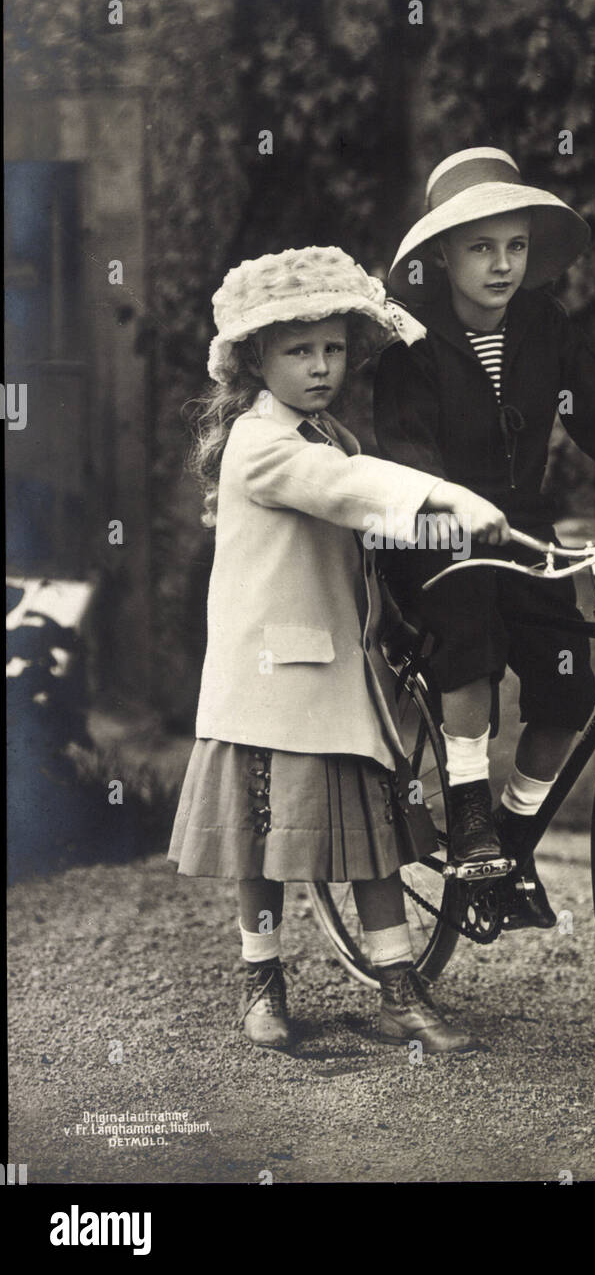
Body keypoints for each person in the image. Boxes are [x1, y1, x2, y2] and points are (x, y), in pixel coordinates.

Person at [168, 246, 511, 1053]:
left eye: (333, 347)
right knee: (262, 843)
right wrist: (448, 494)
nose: (321, 366)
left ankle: (398, 991)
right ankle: (261, 982)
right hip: (271, 681)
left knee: (373, 841)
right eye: (298, 351)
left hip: (341, 674)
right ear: (256, 360)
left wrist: (452, 530)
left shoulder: (334, 435)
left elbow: (376, 518)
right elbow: (351, 492)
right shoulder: (262, 444)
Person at [373, 148, 595, 930]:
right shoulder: (410, 340)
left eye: (516, 247)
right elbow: (403, 447)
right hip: (432, 528)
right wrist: (446, 503)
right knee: (466, 638)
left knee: (568, 682)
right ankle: (466, 813)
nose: (501, 266)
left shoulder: (544, 324)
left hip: (521, 525)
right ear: (442, 255)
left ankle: (514, 836)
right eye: (480, 248)